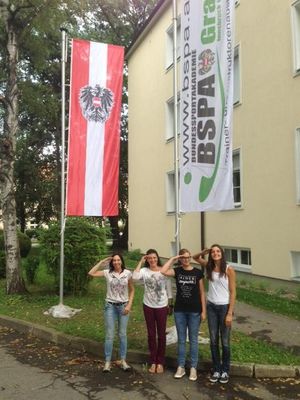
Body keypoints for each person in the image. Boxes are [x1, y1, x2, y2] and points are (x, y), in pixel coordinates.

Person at [160, 248, 206, 382]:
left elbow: (202, 293)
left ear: (190, 257)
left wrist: (203, 311)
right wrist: (173, 259)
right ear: (180, 259)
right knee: (181, 339)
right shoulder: (177, 270)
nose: (186, 259)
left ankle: (193, 368)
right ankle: (181, 366)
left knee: (193, 339)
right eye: (183, 257)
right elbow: (163, 271)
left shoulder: (198, 273)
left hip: (194, 311)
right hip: (180, 311)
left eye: (188, 257)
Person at [193, 244, 236, 384]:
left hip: (224, 307)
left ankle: (225, 370)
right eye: (213, 252)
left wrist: (230, 313)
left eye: (218, 251)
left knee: (224, 341)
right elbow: (195, 257)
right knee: (213, 340)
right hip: (211, 306)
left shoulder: (229, 269)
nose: (215, 253)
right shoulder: (209, 266)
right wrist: (204, 251)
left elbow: (233, 292)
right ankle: (216, 369)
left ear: (222, 253)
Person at [88, 253, 135, 373]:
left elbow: (132, 289)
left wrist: (129, 305)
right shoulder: (107, 272)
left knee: (122, 334)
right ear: (111, 262)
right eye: (114, 260)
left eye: (118, 260)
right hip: (110, 306)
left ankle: (123, 360)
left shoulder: (127, 273)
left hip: (124, 306)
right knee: (110, 335)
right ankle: (107, 361)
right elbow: (91, 273)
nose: (116, 262)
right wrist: (102, 261)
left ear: (121, 261)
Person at [133, 249, 173, 374]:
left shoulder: (163, 270)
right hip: (148, 306)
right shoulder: (144, 271)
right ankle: (153, 361)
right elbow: (134, 277)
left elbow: (169, 288)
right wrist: (140, 261)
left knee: (161, 335)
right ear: (147, 259)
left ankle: (160, 362)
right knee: (151, 335)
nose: (152, 260)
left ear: (157, 258)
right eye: (149, 258)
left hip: (162, 306)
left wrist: (170, 304)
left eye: (154, 257)